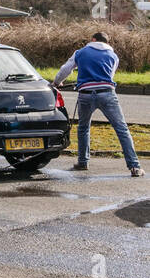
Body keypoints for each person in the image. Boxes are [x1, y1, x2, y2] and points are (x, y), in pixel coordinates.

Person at [54, 31, 143, 176]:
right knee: (121, 129)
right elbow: (110, 75)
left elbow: (65, 69)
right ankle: (134, 166)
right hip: (107, 93)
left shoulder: (80, 52)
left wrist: (57, 82)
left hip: (86, 95)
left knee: (83, 128)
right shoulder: (113, 56)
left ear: (93, 39)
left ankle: (83, 162)